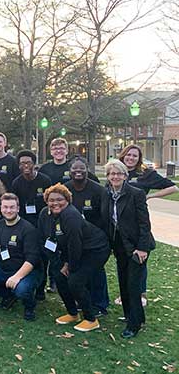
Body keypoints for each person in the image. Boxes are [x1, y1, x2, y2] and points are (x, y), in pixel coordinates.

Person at [37, 184, 110, 332]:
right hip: (69, 251)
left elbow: (75, 244)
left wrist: (69, 265)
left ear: (68, 200)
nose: (55, 203)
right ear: (46, 201)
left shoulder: (71, 215)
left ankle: (91, 319)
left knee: (75, 280)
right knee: (58, 276)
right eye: (51, 200)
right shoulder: (45, 214)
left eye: (60, 199)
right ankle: (72, 313)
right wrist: (58, 263)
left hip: (95, 249)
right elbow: (44, 239)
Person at [118, 144, 177, 306]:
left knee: (139, 259)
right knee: (123, 260)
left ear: (139, 159)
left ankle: (141, 294)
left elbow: (173, 187)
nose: (130, 158)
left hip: (137, 221)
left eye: (134, 156)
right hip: (119, 222)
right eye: (128, 155)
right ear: (123, 155)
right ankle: (124, 294)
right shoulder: (116, 171)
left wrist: (150, 197)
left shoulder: (145, 174)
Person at [102, 159, 155, 338]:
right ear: (108, 176)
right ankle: (131, 315)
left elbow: (144, 224)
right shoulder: (106, 194)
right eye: (112, 174)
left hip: (137, 246)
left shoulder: (136, 194)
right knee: (123, 281)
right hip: (119, 246)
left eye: (119, 173)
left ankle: (134, 325)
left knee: (133, 285)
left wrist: (142, 248)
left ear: (125, 176)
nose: (115, 177)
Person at [0, 193, 41, 321]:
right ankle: (8, 295)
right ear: (1, 208)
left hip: (27, 271)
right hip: (4, 267)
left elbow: (32, 259)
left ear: (18, 208)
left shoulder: (28, 229)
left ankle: (29, 306)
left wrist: (17, 277)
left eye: (12, 207)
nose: (8, 210)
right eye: (5, 207)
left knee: (21, 289)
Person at [64, 156, 109, 316]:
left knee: (96, 271)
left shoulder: (98, 190)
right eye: (74, 169)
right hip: (76, 237)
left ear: (87, 170)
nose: (78, 171)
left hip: (96, 240)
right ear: (69, 171)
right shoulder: (65, 189)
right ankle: (84, 301)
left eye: (81, 168)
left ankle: (100, 304)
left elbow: (105, 217)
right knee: (82, 272)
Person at [11, 150, 52, 227]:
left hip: (43, 220)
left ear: (34, 164)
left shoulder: (45, 180)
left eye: (29, 163)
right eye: (22, 163)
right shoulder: (16, 183)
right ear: (19, 166)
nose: (26, 166)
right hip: (24, 222)